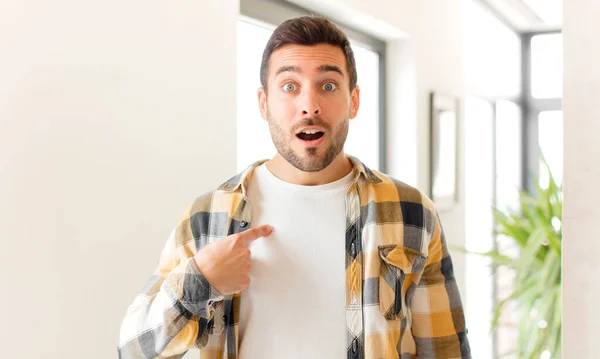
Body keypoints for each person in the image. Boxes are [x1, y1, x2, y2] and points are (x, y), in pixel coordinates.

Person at [118, 15, 471, 359]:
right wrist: (201, 279)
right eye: (290, 86)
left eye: (328, 85)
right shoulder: (208, 215)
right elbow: (134, 350)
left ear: (354, 101)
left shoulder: (411, 211)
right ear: (264, 103)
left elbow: (446, 351)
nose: (309, 105)